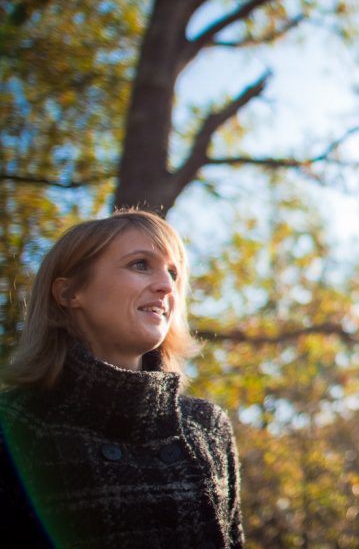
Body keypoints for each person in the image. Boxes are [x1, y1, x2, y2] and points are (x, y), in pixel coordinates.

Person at [0, 210, 244, 548]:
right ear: (69, 294)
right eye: (141, 264)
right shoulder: (17, 422)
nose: (166, 286)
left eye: (172, 273)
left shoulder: (207, 427)